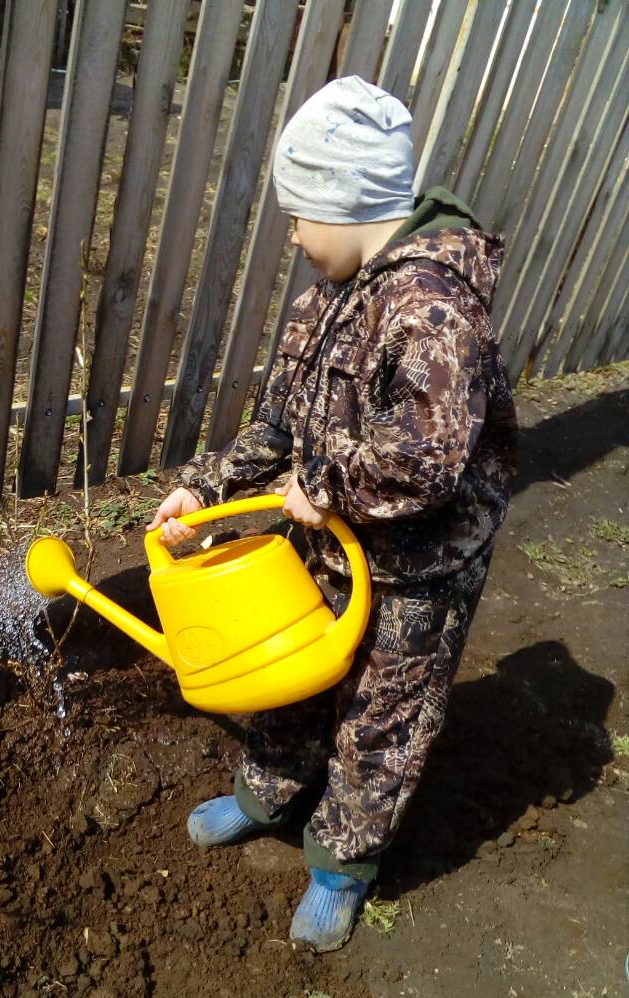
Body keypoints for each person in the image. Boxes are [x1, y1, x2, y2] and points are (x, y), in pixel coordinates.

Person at [147, 76, 518, 951]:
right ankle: (265, 795)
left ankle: (341, 867)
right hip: (330, 543)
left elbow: (424, 461)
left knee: (382, 718)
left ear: (346, 204)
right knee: (294, 673)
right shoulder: (328, 300)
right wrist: (206, 487)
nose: (293, 236)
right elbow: (281, 424)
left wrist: (329, 488)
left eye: (297, 216)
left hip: (420, 568)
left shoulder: (433, 313)